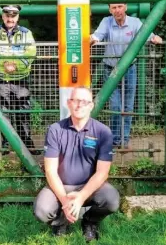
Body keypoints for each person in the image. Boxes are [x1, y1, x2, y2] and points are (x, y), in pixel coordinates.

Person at [33, 87, 119, 242]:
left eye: (84, 101)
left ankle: (89, 222)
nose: (79, 105)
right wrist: (65, 200)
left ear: (91, 106)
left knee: (111, 200)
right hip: (61, 186)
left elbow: (102, 173)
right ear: (68, 103)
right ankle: (60, 223)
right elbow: (50, 171)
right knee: (42, 210)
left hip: (90, 187)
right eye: (75, 100)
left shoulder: (103, 132)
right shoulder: (55, 130)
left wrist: (80, 198)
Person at [90, 3, 163, 147]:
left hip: (129, 69)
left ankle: (124, 140)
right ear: (110, 10)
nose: (117, 10)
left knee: (128, 106)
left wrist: (155, 38)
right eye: (114, 8)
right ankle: (115, 139)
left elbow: (149, 35)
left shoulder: (135, 23)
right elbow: (97, 35)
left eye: (120, 6)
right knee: (116, 106)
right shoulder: (107, 21)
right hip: (110, 69)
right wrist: (92, 39)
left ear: (126, 7)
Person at [0, 4, 40, 155]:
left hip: (21, 79)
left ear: (17, 17)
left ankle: (26, 142)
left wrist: (14, 65)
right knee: (3, 112)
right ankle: (5, 145)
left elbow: (31, 53)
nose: (10, 18)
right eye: (7, 15)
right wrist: (6, 63)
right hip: (0, 79)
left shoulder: (26, 33)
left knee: (23, 111)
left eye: (13, 16)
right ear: (3, 16)